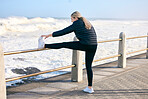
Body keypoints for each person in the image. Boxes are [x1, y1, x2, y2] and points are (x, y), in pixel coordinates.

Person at [40, 11, 97, 93]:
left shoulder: (77, 23)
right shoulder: (87, 22)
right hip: (94, 45)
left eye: (72, 19)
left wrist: (49, 35)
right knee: (89, 66)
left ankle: (45, 46)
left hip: (85, 44)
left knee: (64, 44)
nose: (71, 21)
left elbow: (64, 31)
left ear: (75, 18)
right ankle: (90, 87)